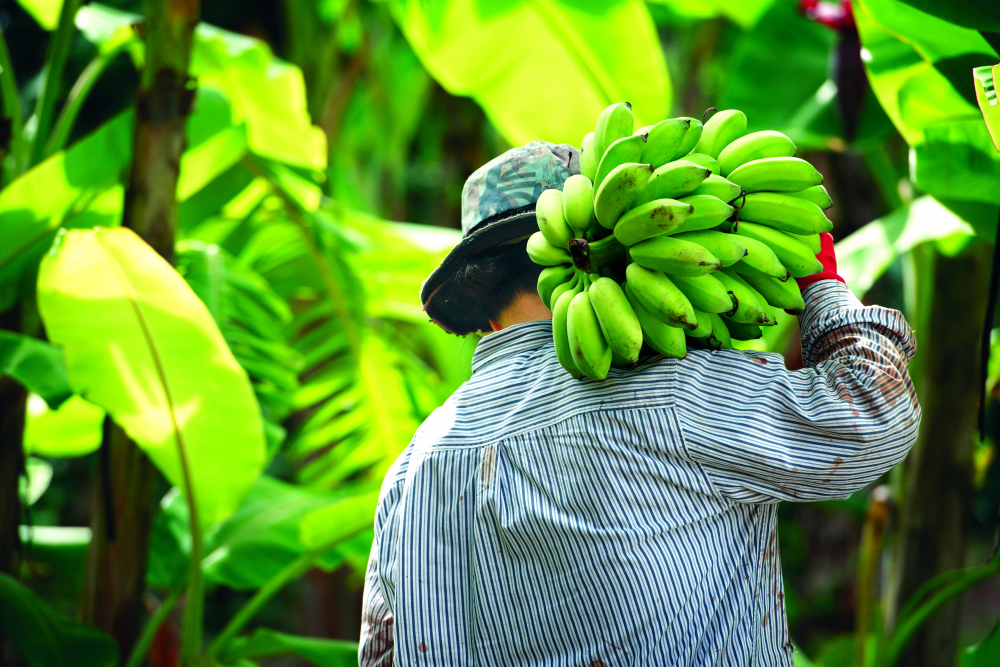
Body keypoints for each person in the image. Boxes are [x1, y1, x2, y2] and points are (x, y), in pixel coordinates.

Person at [358, 141, 920, 666]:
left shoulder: (413, 467)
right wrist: (822, 285)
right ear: (618, 257)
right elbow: (875, 412)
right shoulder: (670, 394)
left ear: (479, 309)